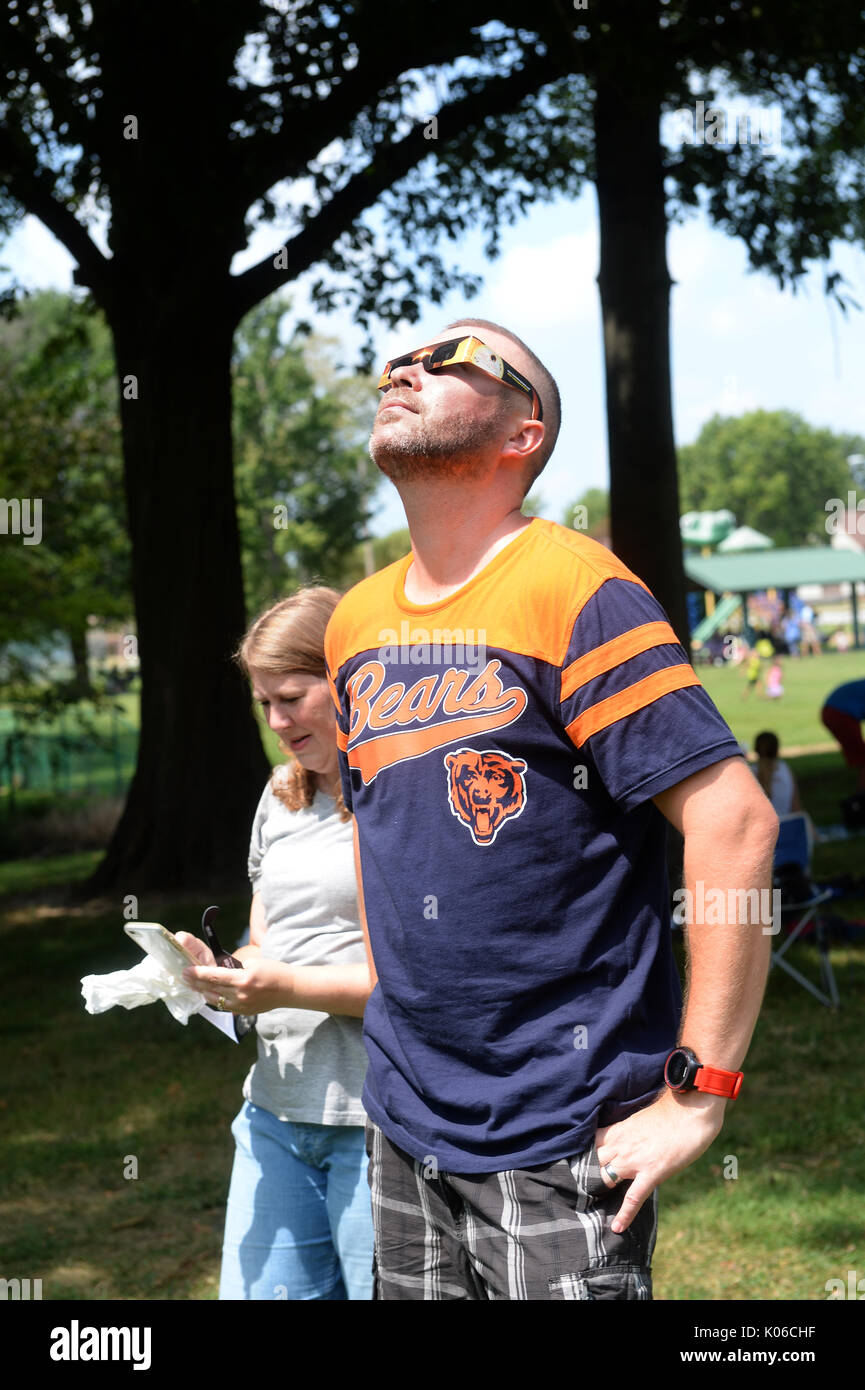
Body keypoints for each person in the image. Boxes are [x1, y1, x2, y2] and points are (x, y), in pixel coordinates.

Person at [324, 319, 778, 1301]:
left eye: (447, 360)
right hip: (403, 1118)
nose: (403, 368)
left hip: (562, 1125)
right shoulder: (353, 624)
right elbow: (377, 829)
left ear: (521, 431)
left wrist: (700, 1094)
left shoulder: (577, 590)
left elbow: (734, 821)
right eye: (397, 360)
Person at [178, 588, 375, 1300]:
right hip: (272, 1113)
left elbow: (416, 982)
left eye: (291, 696)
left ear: (350, 677)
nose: (276, 721)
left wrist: (281, 986)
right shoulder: (281, 795)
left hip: (373, 1123)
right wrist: (219, 971)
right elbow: (267, 942)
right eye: (264, 702)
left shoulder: (402, 800)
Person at [820, 679, 865, 792]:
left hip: (832, 712)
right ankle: (861, 794)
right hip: (840, 714)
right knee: (863, 757)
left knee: (859, 754)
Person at [752, 731, 800, 816]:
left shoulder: (750, 772)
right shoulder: (784, 768)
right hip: (787, 823)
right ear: (777, 750)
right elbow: (796, 807)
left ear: (756, 749)